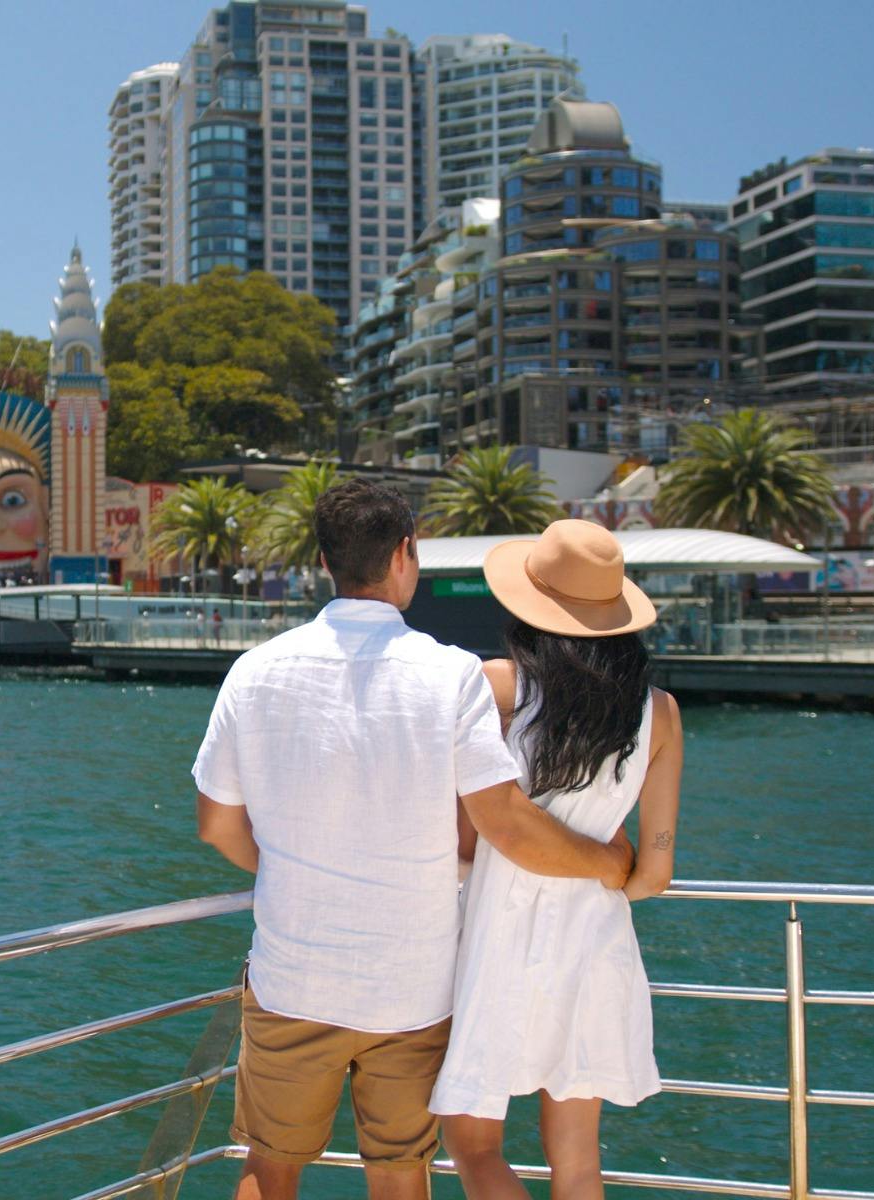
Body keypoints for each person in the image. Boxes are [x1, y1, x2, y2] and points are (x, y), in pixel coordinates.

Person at [192, 481, 634, 1200]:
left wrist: (293, 870)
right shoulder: (451, 674)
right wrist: (613, 861)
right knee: (400, 1171)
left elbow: (216, 823)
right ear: (405, 553)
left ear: (325, 559)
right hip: (414, 989)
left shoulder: (255, 670)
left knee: (270, 1166)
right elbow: (505, 823)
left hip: (292, 974)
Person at [430, 519, 685, 1200]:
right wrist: (603, 870)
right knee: (576, 1158)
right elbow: (653, 872)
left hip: (495, 934)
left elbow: (467, 838)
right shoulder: (660, 712)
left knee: (475, 1145)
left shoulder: (498, 689)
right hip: (595, 940)